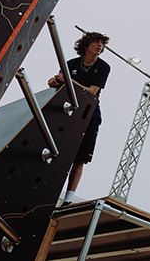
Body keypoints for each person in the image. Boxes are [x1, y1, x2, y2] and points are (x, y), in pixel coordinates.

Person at [48, 32, 111, 206]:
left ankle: (68, 198)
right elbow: (58, 84)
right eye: (96, 42)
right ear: (85, 45)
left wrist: (68, 81)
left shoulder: (104, 67)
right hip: (67, 112)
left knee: (80, 157)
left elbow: (91, 92)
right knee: (58, 152)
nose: (99, 46)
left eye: (101, 43)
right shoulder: (71, 64)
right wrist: (54, 81)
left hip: (89, 115)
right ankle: (50, 189)